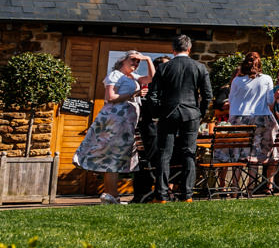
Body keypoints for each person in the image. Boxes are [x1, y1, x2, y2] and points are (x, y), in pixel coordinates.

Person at [74, 51, 149, 203]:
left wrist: (147, 59)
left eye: (138, 62)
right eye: (133, 60)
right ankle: (111, 195)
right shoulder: (114, 75)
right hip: (115, 121)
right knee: (112, 158)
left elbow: (151, 78)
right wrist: (135, 93)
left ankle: (111, 196)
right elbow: (110, 97)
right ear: (123, 61)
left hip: (126, 123)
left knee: (117, 158)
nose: (136, 63)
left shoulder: (133, 77)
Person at [149, 34, 212, 203]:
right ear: (189, 49)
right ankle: (187, 195)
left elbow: (153, 94)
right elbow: (207, 95)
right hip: (191, 113)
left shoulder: (164, 68)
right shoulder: (199, 67)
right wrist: (201, 113)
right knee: (189, 153)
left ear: (173, 49)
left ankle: (161, 196)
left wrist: (157, 112)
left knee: (164, 154)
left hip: (168, 113)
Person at [228, 51, 279, 174]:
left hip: (239, 118)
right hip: (260, 118)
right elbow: (269, 101)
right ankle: (250, 189)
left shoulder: (237, 80)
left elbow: (231, 100)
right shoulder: (267, 79)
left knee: (239, 153)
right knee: (254, 154)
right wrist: (277, 96)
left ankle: (236, 190)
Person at [132, 55, 169, 202]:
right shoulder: (148, 84)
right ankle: (147, 194)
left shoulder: (168, 85)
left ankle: (165, 191)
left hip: (164, 130)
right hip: (150, 130)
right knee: (152, 161)